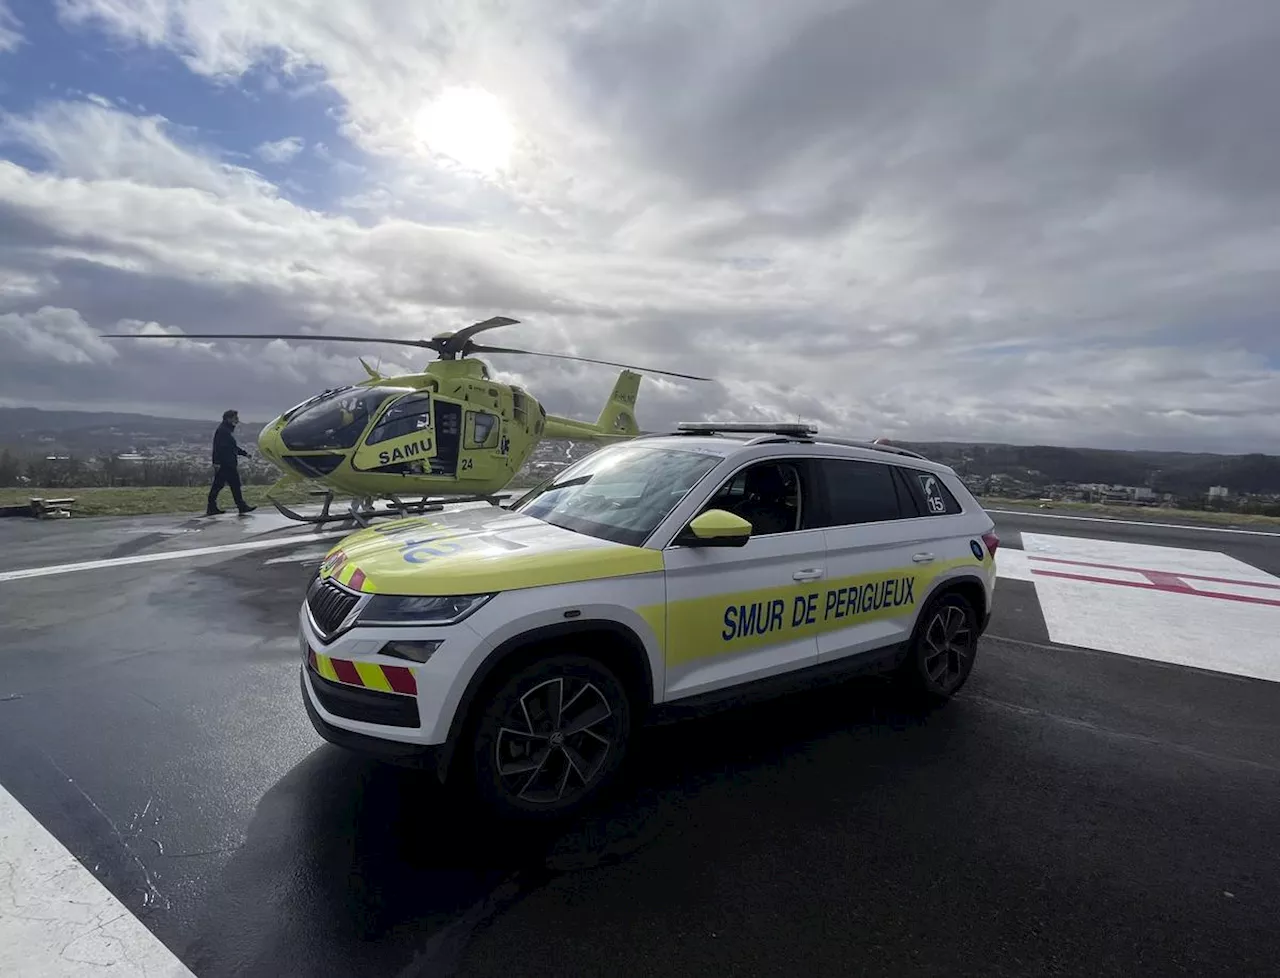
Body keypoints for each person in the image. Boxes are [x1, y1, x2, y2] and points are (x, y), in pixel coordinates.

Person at [206, 409, 257, 516]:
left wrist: (244, 454)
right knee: (220, 486)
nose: (237, 420)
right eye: (235, 418)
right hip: (225, 464)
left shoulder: (226, 430)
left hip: (228, 463)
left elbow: (231, 447)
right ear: (228, 419)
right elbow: (218, 447)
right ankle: (213, 507)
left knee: (233, 485)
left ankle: (240, 506)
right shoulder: (223, 431)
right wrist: (216, 462)